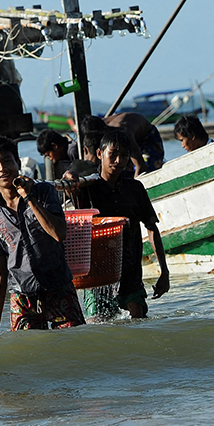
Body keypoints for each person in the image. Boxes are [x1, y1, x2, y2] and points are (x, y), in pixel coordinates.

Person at [0, 138, 85, 333]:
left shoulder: (44, 192)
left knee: (74, 345)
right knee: (27, 352)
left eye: (7, 161)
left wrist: (29, 198)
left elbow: (59, 234)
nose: (2, 168)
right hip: (22, 296)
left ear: (18, 164)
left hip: (58, 286)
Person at [74, 128, 171, 318]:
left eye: (124, 155)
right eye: (113, 154)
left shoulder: (135, 189)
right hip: (97, 276)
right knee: (98, 325)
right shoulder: (87, 189)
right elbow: (74, 169)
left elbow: (151, 228)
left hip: (130, 274)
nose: (118, 161)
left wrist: (164, 273)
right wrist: (71, 177)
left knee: (138, 318)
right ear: (100, 154)